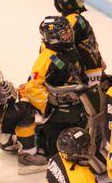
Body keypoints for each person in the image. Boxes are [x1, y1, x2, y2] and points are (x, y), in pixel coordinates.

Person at [21, 16, 90, 157]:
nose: (69, 35)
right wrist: (54, 99)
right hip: (55, 108)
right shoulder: (46, 58)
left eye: (69, 31)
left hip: (74, 96)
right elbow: (32, 87)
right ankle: (46, 144)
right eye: (64, 33)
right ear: (52, 37)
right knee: (74, 118)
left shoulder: (69, 49)